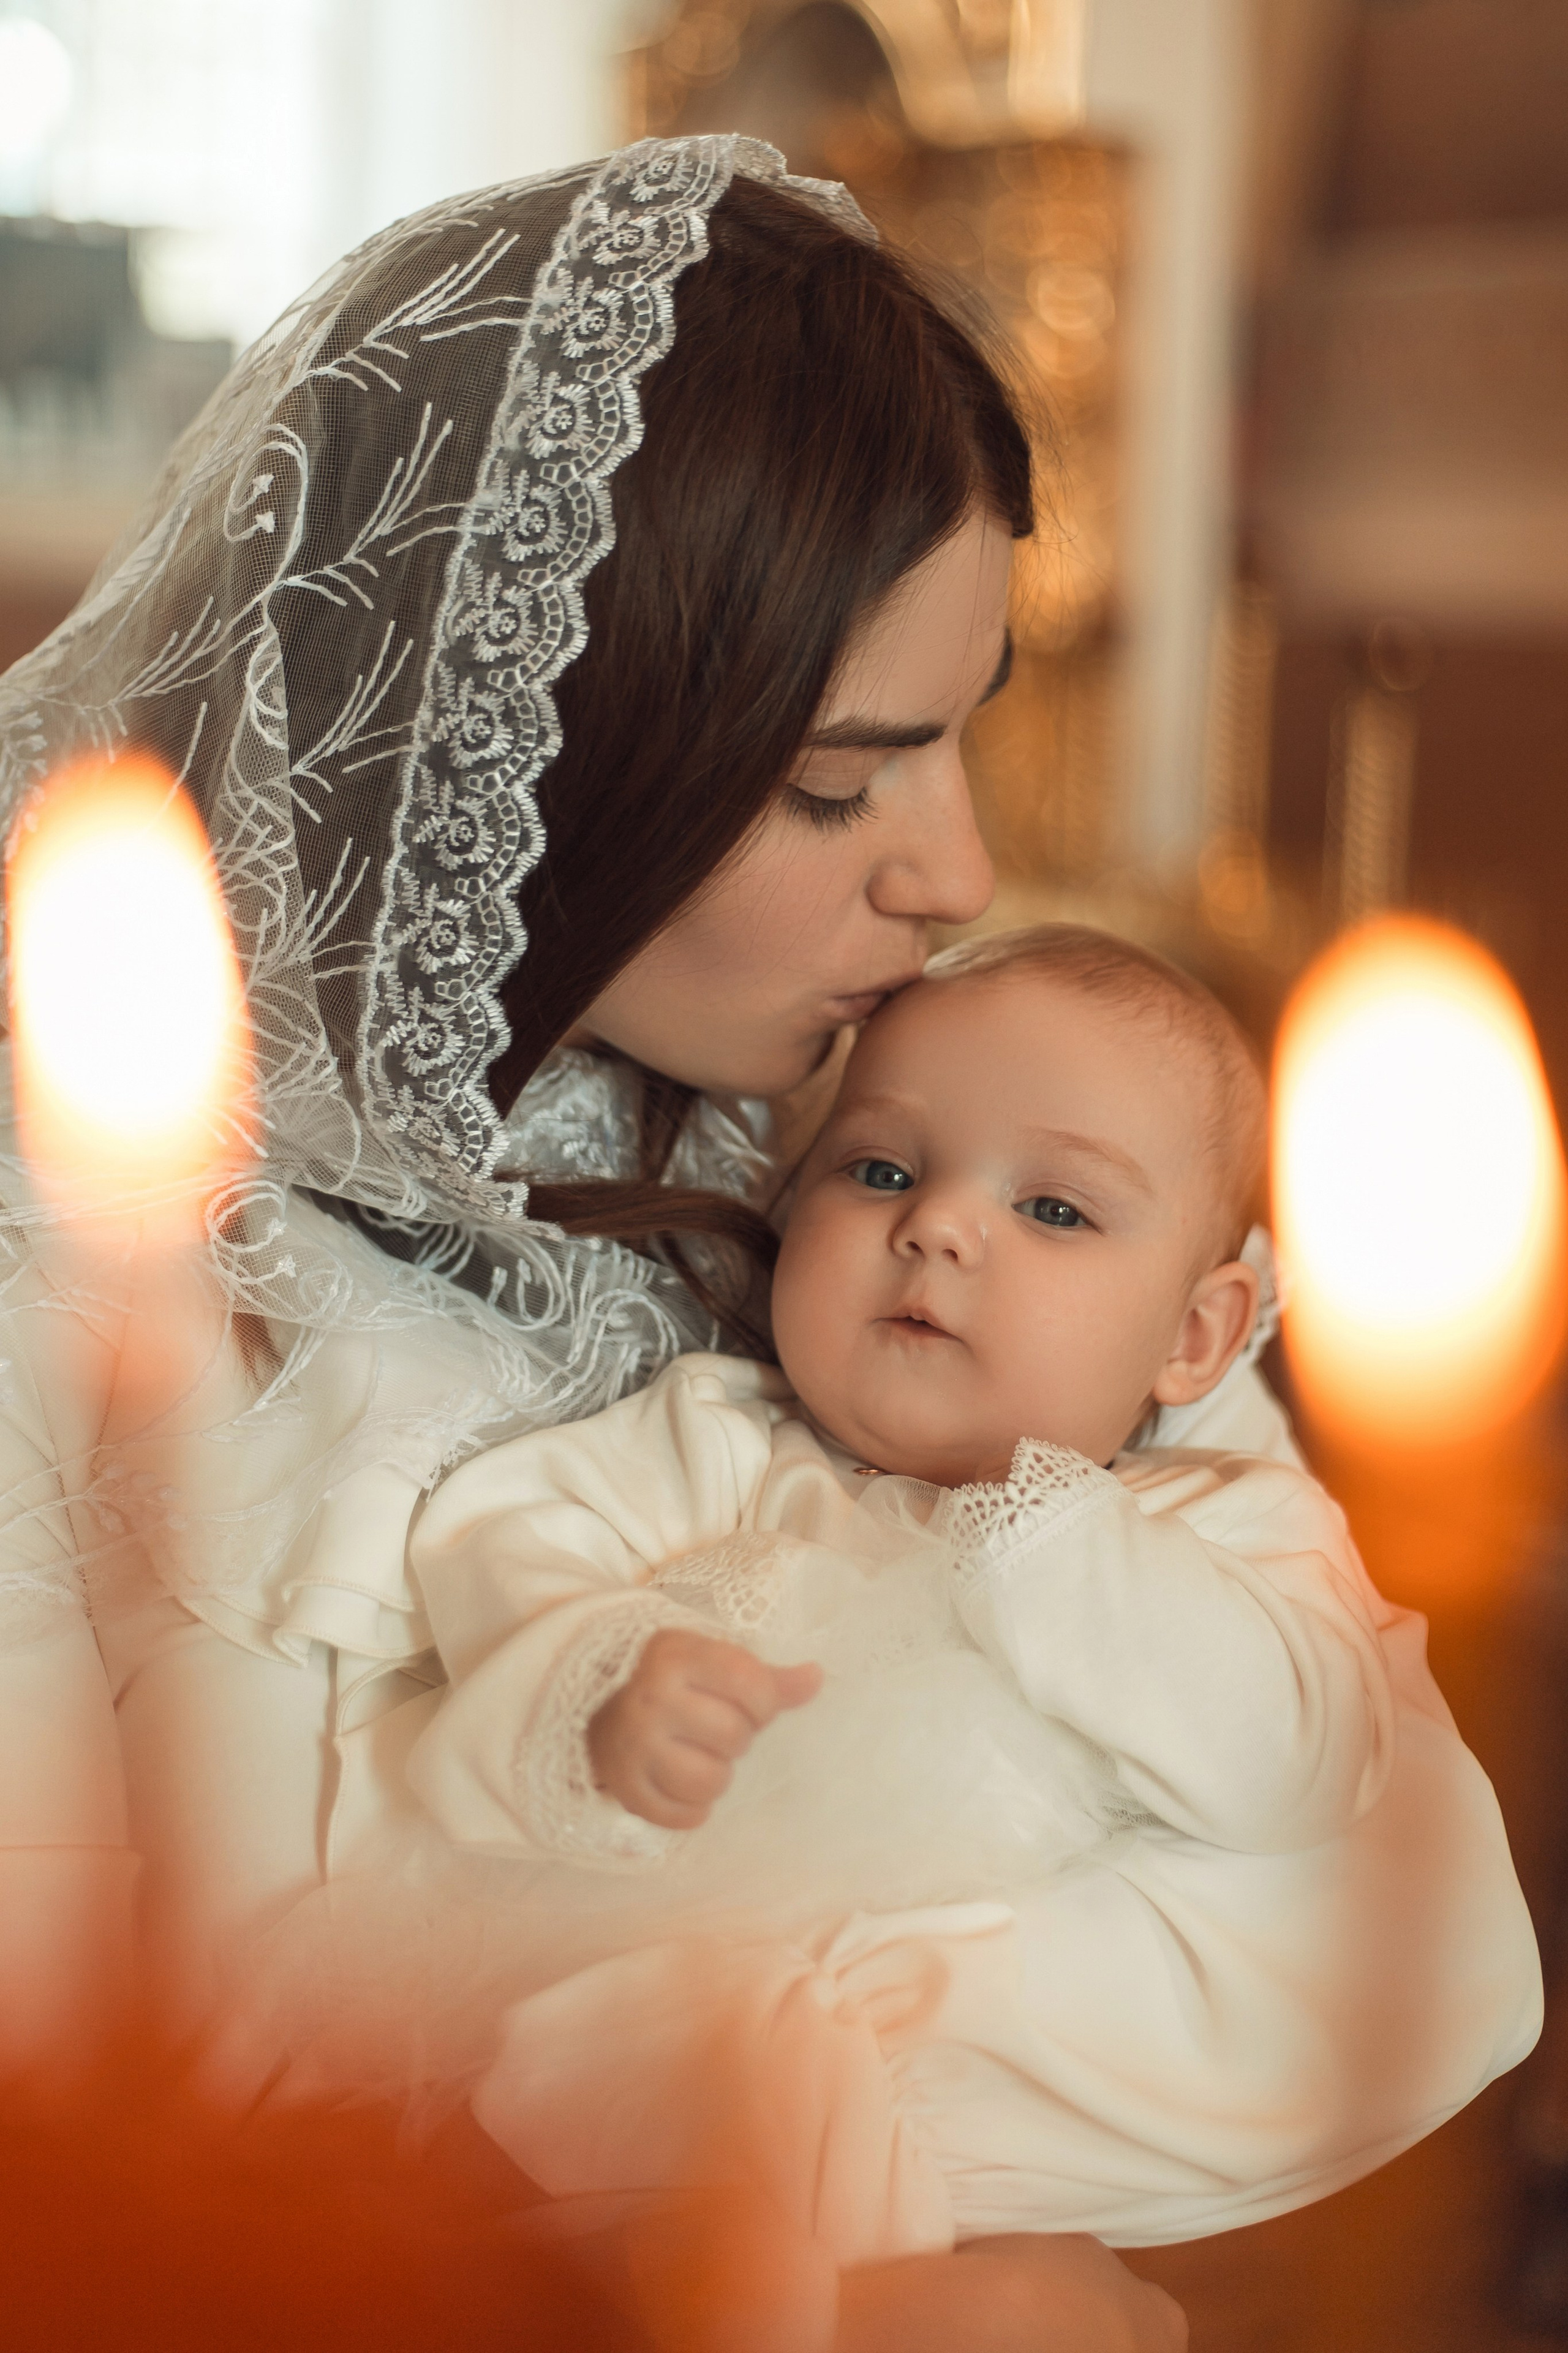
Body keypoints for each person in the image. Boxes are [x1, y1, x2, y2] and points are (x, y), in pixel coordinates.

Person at [0, 132, 1193, 2351]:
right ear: (538, 763)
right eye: (843, 785)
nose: (959, 867)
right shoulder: (78, 1296)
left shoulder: (802, 1140)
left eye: (964, 738)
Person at [258, 926, 1535, 2265]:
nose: (934, 1223)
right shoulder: (713, 1442)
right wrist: (603, 1683)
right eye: (877, 1171)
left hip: (1014, 2081)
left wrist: (1049, 1525)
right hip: (653, 2062)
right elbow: (505, 1545)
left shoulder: (1228, 1523)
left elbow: (1301, 1763)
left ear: (1193, 1336)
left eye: (1053, 1209)